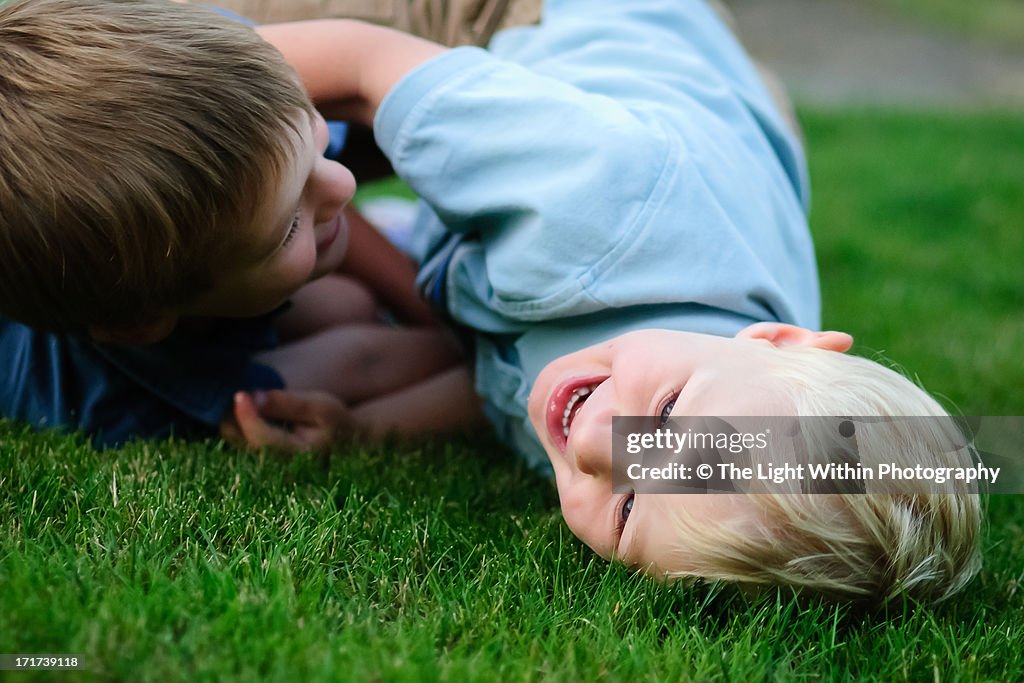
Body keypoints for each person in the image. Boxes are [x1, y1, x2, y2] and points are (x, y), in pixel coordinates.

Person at [0, 0, 979, 602]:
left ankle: (743, 95)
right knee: (192, 92)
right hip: (540, 19)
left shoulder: (656, 426)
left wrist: (363, 425)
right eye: (664, 417)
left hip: (712, 124)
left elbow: (500, 391)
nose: (590, 443)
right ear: (775, 336)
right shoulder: (590, 194)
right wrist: (148, 127)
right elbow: (356, 57)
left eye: (630, 502)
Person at [0, 0, 466, 446]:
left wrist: (423, 300)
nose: (345, 185)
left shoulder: (215, 83)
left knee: (347, 302)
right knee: (346, 322)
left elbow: (323, 191)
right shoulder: (136, 397)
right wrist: (363, 425)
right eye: (286, 228)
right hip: (157, 349)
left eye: (317, 147)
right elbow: (369, 363)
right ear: (142, 324)